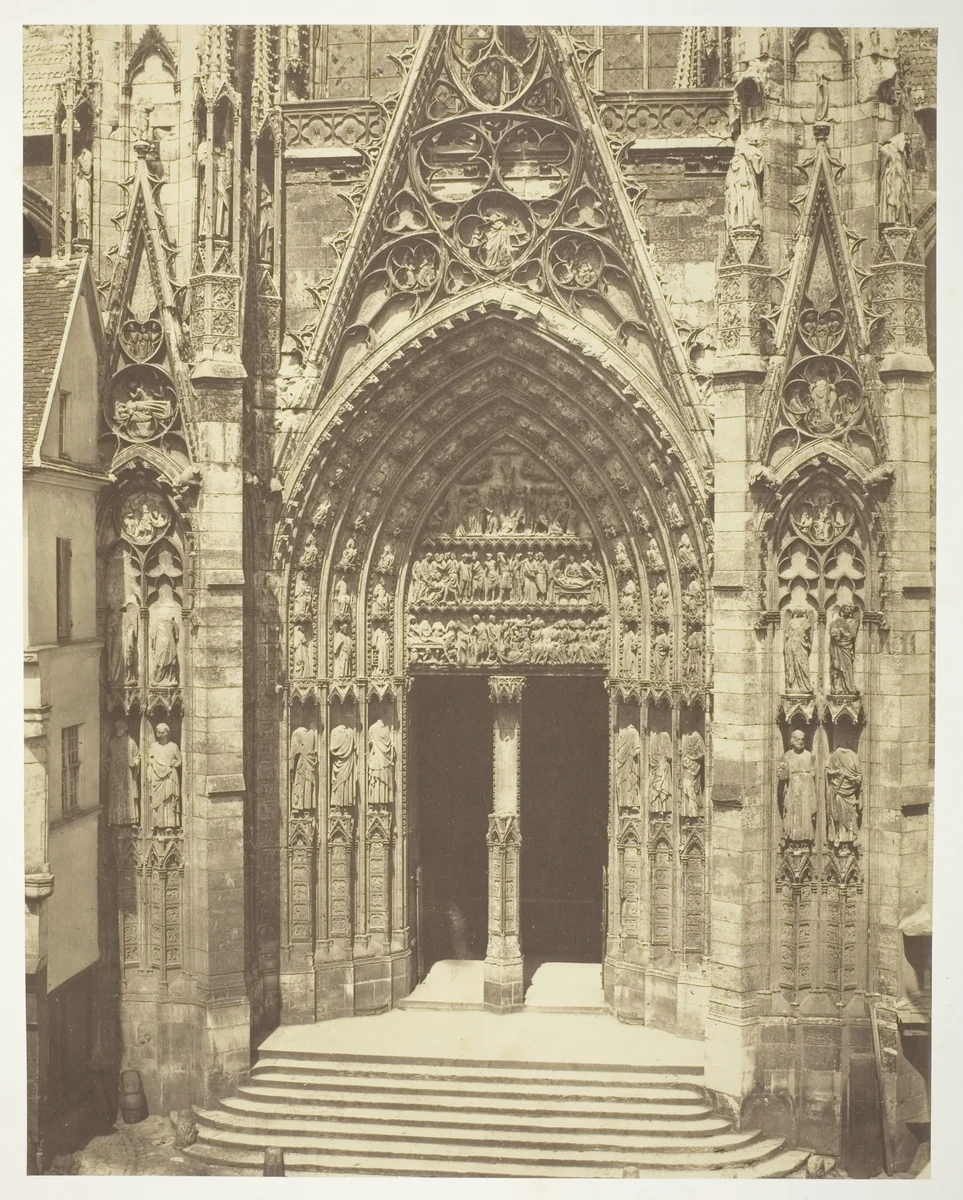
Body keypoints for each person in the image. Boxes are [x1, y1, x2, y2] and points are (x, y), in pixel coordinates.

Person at [777, 729, 816, 842]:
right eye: (798, 739)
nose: (800, 742)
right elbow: (783, 775)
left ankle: (806, 837)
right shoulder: (787, 756)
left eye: (802, 739)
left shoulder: (809, 755)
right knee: (792, 812)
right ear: (792, 741)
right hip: (793, 789)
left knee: (806, 812)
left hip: (806, 790)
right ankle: (792, 838)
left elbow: (813, 772)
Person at [725, 133, 764, 230]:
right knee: (738, 200)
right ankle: (738, 222)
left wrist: (745, 152)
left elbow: (757, 161)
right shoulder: (736, 158)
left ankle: (748, 221)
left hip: (748, 184)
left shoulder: (749, 152)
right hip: (738, 188)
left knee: (749, 199)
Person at [826, 747, 862, 846]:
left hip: (850, 791)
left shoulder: (853, 756)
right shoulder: (834, 755)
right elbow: (827, 771)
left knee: (851, 814)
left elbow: (859, 776)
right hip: (838, 789)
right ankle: (838, 836)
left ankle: (852, 836)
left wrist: (854, 778)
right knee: (838, 812)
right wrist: (836, 773)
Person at [148, 723, 182, 829]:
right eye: (159, 733)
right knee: (158, 801)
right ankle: (158, 823)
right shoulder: (153, 746)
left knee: (169, 799)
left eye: (163, 733)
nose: (161, 735)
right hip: (157, 776)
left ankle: (170, 824)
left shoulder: (173, 746)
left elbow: (179, 761)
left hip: (169, 776)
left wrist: (174, 763)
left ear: (167, 733)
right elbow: (150, 760)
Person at [108, 719, 140, 825]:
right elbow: (108, 757)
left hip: (128, 775)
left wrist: (135, 762)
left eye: (120, 728)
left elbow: (137, 756)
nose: (118, 730)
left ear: (125, 729)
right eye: (117, 728)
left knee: (128, 795)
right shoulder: (112, 742)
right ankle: (116, 820)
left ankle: (131, 820)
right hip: (116, 775)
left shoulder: (131, 743)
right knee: (117, 797)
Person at [829, 604, 860, 694]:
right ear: (842, 610)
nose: (846, 610)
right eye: (844, 608)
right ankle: (837, 687)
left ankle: (849, 687)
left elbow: (852, 634)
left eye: (848, 608)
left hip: (846, 647)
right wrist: (835, 632)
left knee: (847, 666)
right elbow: (832, 629)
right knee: (836, 665)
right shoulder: (837, 621)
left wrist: (843, 632)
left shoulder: (852, 621)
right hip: (837, 646)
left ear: (850, 611)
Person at [783, 606, 814, 693]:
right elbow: (787, 634)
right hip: (792, 645)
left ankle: (805, 686)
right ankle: (792, 686)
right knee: (792, 664)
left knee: (803, 664)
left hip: (801, 646)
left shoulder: (806, 621)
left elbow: (809, 635)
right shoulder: (791, 622)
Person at [367, 719, 395, 808]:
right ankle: (383, 803)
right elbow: (392, 747)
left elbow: (369, 742)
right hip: (385, 761)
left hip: (376, 760)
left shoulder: (372, 728)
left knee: (376, 781)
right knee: (383, 780)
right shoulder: (387, 729)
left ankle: (375, 802)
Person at [290, 726, 318, 810]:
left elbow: (314, 750)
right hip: (302, 762)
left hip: (309, 762)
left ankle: (306, 805)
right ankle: (301, 805)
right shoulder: (298, 732)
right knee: (301, 781)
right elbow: (293, 752)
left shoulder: (312, 733)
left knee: (308, 781)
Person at [329, 725, 357, 808]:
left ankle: (339, 802)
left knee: (342, 781)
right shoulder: (350, 732)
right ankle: (341, 802)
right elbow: (355, 747)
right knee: (343, 781)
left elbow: (332, 749)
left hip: (343, 762)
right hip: (345, 761)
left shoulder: (336, 731)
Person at [616, 725, 642, 810]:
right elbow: (637, 748)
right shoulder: (629, 732)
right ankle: (627, 804)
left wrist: (634, 752)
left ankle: (628, 804)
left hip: (628, 761)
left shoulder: (630, 732)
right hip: (626, 761)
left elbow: (637, 748)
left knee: (628, 781)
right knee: (628, 781)